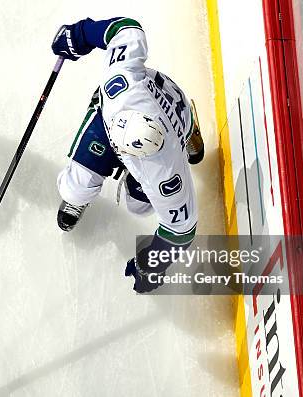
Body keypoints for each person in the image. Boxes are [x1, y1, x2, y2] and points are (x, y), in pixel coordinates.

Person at [51, 17, 204, 292]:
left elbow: (181, 230)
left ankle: (189, 126)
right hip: (114, 117)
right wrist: (80, 35)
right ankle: (80, 196)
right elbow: (126, 29)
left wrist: (153, 265)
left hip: (169, 124)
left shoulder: (165, 171)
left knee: (139, 207)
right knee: (75, 188)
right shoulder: (122, 88)